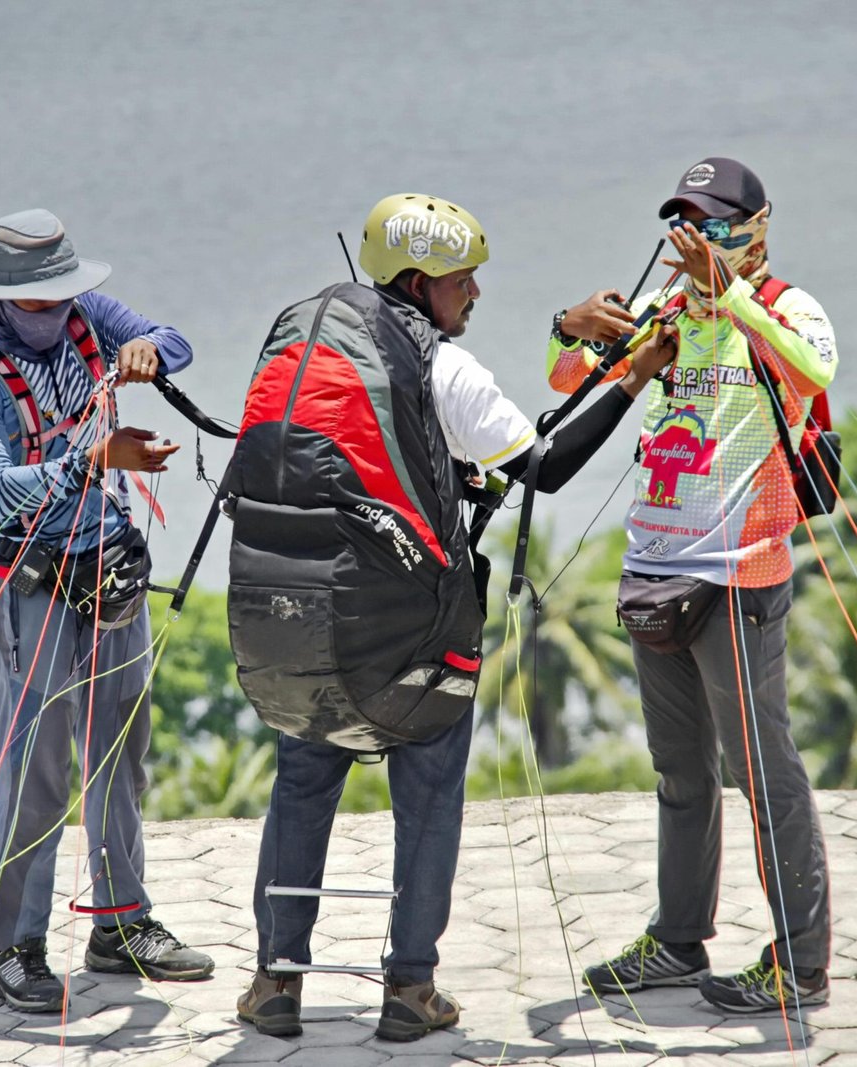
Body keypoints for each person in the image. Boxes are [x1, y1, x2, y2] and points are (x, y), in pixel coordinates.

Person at [236, 194, 679, 1042]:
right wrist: (632, 378)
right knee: (431, 792)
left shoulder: (307, 354)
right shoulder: (445, 368)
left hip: (297, 627)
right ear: (418, 283)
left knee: (302, 784)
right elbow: (545, 466)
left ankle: (275, 983)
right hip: (409, 646)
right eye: (462, 279)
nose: (475, 292)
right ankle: (409, 989)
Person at [576, 159, 838, 1013]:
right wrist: (569, 327)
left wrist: (734, 297)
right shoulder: (667, 310)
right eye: (687, 223)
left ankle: (800, 963)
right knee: (680, 771)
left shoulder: (788, 307)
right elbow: (567, 378)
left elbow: (815, 371)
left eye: (717, 223)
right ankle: (678, 940)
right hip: (655, 573)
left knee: (764, 772)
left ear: (757, 228)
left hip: (738, 575)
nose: (699, 238)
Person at [0, 208, 214, 1013]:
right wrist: (94, 458)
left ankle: (121, 922)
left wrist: (147, 350)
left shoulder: (87, 315)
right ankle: (17, 947)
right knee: (38, 769)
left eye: (63, 295)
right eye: (39, 300)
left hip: (110, 574)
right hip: (33, 590)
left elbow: (174, 340)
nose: (55, 311)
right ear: (1, 298)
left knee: (120, 750)